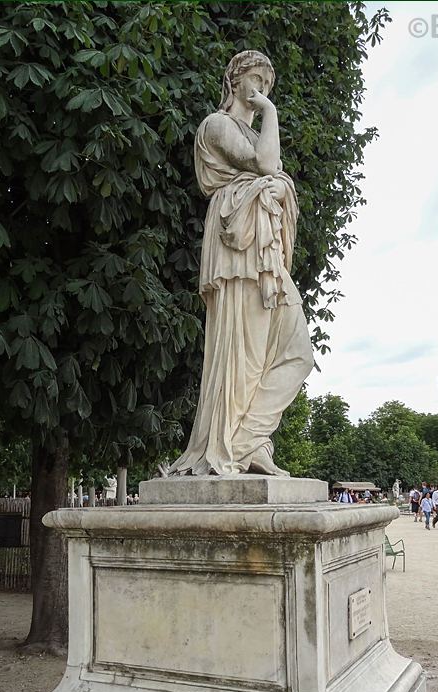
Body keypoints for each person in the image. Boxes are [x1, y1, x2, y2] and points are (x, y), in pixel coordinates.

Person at [169, 50, 314, 477]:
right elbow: (268, 165)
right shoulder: (216, 126)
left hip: (263, 246)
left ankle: (248, 439)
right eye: (255, 80)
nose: (261, 90)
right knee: (244, 352)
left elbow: (270, 169)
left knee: (296, 352)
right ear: (234, 81)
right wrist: (269, 112)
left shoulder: (253, 135)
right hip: (238, 241)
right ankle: (229, 444)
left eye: (267, 85)